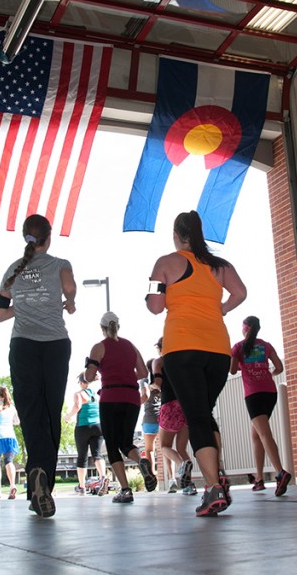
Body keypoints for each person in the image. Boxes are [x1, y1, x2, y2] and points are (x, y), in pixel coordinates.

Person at [146, 210, 247, 517]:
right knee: (203, 414)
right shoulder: (219, 265)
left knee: (198, 418)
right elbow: (240, 293)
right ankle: (218, 476)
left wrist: (156, 289)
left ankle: (214, 488)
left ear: (177, 234)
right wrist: (223, 309)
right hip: (217, 351)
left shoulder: (166, 262)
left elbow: (154, 306)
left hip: (182, 348)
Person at [0, 213, 76, 518]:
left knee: (30, 415)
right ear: (48, 237)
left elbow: (0, 314)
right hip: (55, 346)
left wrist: (23, 304)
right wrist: (70, 302)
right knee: (51, 414)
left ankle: (37, 475)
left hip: (24, 346)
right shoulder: (60, 265)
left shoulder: (13, 270)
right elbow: (70, 291)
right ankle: (42, 481)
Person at [85, 312, 156, 504]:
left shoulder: (99, 347)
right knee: (126, 441)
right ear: (118, 326)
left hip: (110, 397)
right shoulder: (130, 346)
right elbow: (142, 372)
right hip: (131, 397)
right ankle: (142, 462)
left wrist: (92, 368)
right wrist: (125, 376)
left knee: (112, 444)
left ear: (102, 328)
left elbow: (89, 377)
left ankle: (126, 490)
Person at [230, 316, 291, 496]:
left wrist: (243, 365)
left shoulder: (238, 347)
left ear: (245, 328)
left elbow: (232, 370)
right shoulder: (266, 345)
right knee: (256, 435)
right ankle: (259, 479)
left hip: (253, 394)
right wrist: (268, 372)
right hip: (269, 392)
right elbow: (279, 367)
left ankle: (280, 472)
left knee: (264, 434)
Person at [65, 372, 108, 495]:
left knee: (82, 456)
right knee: (97, 454)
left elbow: (77, 406)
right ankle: (103, 477)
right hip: (98, 426)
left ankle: (82, 487)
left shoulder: (79, 394)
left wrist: (68, 417)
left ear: (82, 382)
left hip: (83, 427)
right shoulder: (97, 395)